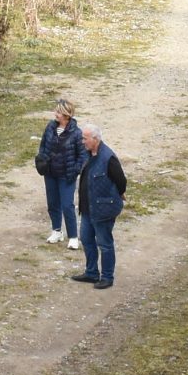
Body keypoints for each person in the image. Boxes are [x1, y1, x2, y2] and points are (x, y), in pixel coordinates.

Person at [70, 124, 126, 289]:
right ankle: (91, 273)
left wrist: (119, 193)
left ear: (95, 139)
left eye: (85, 138)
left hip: (103, 210)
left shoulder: (108, 158)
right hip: (88, 209)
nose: (82, 142)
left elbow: (121, 180)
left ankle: (107, 277)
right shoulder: (88, 154)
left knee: (104, 243)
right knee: (86, 239)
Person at [36, 98, 85, 249]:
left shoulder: (76, 133)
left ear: (66, 114)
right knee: (52, 203)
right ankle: (56, 231)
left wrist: (75, 170)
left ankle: (73, 236)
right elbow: (43, 145)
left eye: (58, 111)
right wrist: (42, 160)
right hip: (50, 173)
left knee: (67, 205)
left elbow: (83, 156)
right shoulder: (50, 127)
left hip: (66, 175)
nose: (55, 114)